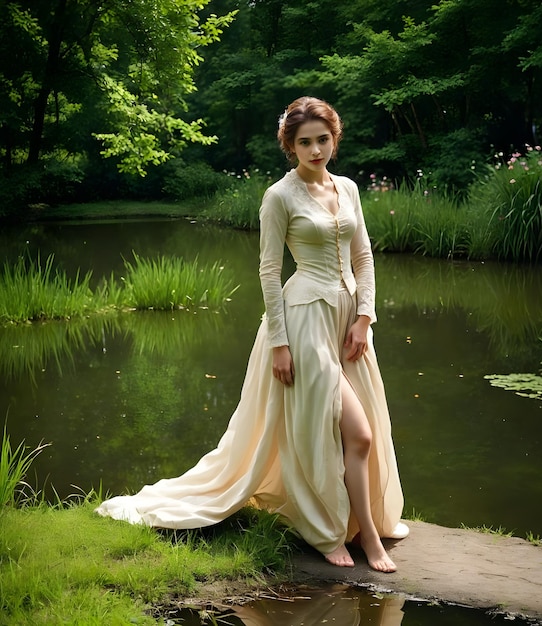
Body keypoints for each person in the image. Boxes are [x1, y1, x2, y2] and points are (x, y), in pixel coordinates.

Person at [96, 96, 408, 572]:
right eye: (304, 142)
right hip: (304, 319)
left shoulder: (347, 188)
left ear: (335, 137)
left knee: (352, 432)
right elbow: (268, 271)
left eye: (323, 139)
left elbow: (363, 257)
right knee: (356, 434)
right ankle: (342, 535)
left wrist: (365, 318)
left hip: (347, 321)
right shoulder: (279, 196)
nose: (316, 149)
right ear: (290, 146)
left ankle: (361, 526)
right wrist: (279, 344)